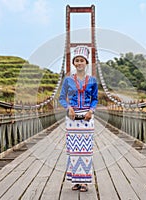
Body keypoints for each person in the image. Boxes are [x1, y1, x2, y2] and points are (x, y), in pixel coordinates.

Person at [59, 46, 98, 192]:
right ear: (74, 63)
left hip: (87, 118)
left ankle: (85, 182)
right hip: (72, 118)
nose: (80, 63)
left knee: (86, 150)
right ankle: (75, 181)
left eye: (82, 60)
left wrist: (91, 110)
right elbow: (62, 98)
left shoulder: (92, 81)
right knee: (73, 150)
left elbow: (95, 99)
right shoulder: (68, 80)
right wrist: (68, 107)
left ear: (86, 62)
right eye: (77, 60)